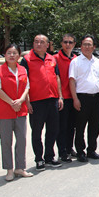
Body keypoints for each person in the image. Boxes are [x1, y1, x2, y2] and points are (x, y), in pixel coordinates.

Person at [0, 43, 33, 181]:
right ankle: (9, 169)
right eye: (9, 53)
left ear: (19, 55)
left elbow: (27, 87)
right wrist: (12, 103)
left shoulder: (22, 69)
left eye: (14, 53)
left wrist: (21, 100)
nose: (12, 55)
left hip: (20, 110)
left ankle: (20, 168)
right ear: (4, 55)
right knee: (6, 141)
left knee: (21, 139)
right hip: (4, 111)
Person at [21, 34, 63, 170]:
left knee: (53, 130)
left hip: (52, 100)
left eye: (42, 42)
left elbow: (57, 77)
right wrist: (27, 102)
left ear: (47, 45)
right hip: (36, 101)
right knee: (37, 131)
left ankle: (49, 157)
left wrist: (60, 97)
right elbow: (24, 82)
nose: (38, 44)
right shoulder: (26, 60)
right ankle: (39, 159)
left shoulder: (52, 58)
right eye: (36, 42)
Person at [69, 35, 99, 162]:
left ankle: (91, 150)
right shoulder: (75, 62)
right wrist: (75, 99)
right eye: (84, 44)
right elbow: (72, 81)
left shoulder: (97, 61)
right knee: (80, 126)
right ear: (80, 46)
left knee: (95, 125)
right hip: (82, 97)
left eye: (89, 44)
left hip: (96, 97)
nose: (87, 47)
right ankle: (80, 151)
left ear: (94, 47)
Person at [55, 33, 77, 163]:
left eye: (70, 42)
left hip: (74, 96)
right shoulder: (55, 59)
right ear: (61, 43)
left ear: (74, 44)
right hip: (62, 98)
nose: (67, 45)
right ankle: (62, 151)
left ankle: (69, 148)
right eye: (65, 42)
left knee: (72, 126)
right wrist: (60, 96)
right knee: (62, 126)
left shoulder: (75, 58)